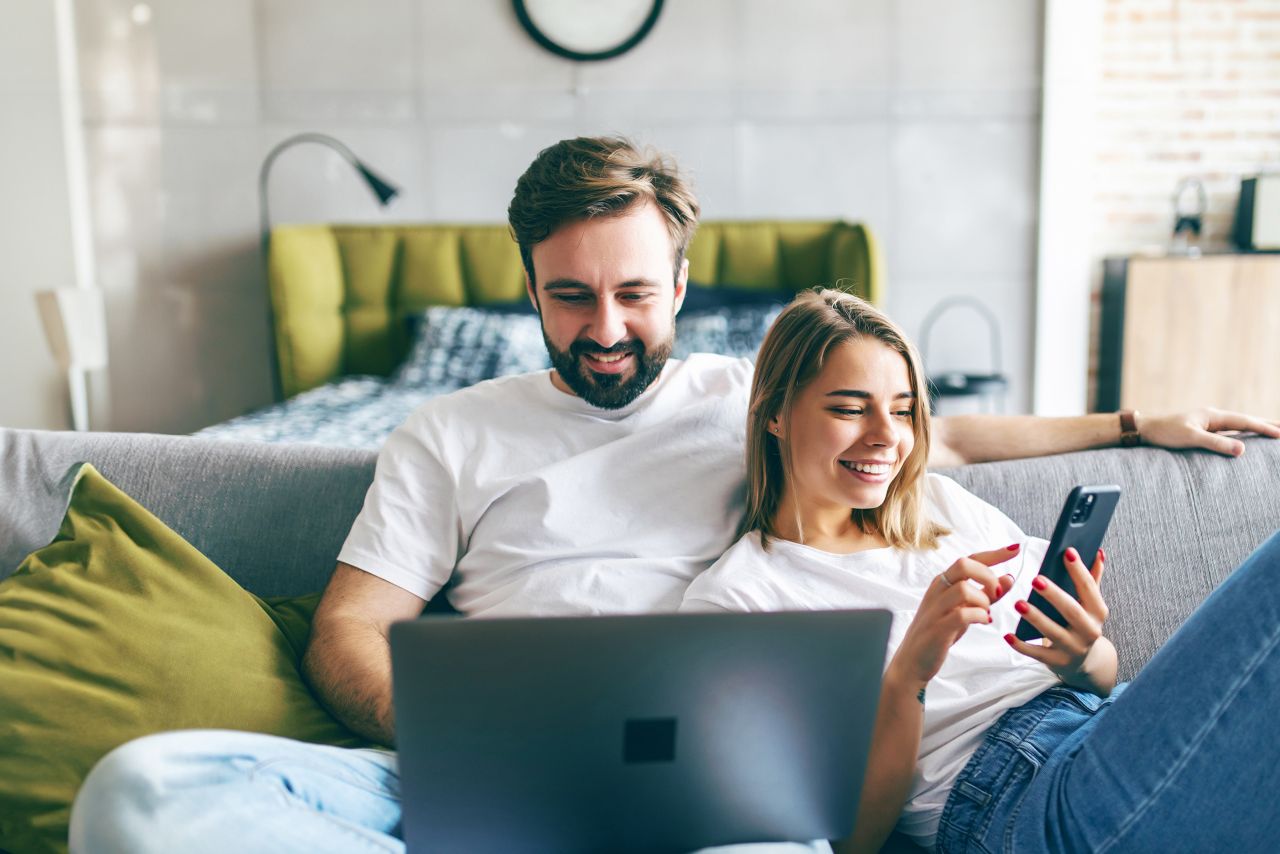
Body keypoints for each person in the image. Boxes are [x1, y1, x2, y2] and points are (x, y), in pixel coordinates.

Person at [69, 137, 1280, 853]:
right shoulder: (447, 434)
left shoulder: (748, 395)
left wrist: (1130, 421)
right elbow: (349, 626)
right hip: (491, 763)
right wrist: (457, 738)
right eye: (569, 296)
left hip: (712, 794)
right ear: (528, 285)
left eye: (635, 294)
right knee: (145, 783)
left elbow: (924, 435)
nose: (604, 329)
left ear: (682, 279)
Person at [681, 288, 1280, 853]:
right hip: (1021, 799)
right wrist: (908, 673)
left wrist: (1083, 655)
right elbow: (848, 842)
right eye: (848, 409)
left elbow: (1100, 673)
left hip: (1105, 725)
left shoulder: (941, 507)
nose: (887, 437)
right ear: (774, 414)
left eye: (903, 410)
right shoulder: (740, 601)